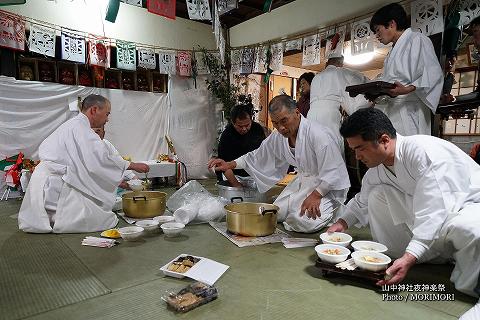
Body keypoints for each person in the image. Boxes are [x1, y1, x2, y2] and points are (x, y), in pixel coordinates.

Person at [326, 108, 480, 320]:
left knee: (469, 229)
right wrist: (342, 222)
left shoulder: (423, 152)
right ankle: (410, 255)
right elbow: (361, 200)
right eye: (353, 150)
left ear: (384, 140)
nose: (357, 156)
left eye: (359, 148)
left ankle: (463, 280)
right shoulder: (378, 168)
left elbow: (435, 207)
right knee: (376, 195)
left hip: (468, 203)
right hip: (432, 207)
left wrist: (412, 254)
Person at [208, 95, 350, 233]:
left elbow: (334, 171)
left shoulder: (319, 135)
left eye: (284, 121)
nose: (280, 128)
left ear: (296, 113)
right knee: (274, 213)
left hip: (327, 187)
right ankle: (298, 205)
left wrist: (317, 195)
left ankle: (333, 209)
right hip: (303, 182)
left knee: (302, 222)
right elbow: (258, 155)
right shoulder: (278, 136)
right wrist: (230, 164)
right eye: (275, 123)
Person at [18, 94, 149, 233]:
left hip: (49, 178)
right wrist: (133, 165)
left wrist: (121, 178)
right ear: (94, 110)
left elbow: (92, 161)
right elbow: (99, 160)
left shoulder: (76, 125)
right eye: (106, 114)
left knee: (90, 211)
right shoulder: (81, 128)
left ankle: (49, 221)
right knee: (100, 218)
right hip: (57, 181)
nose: (107, 119)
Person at [370, 3, 443, 135]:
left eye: (378, 30)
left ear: (391, 24)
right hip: (392, 108)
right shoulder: (391, 53)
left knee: (411, 150)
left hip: (410, 108)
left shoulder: (418, 40)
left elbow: (433, 74)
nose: (377, 35)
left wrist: (407, 89)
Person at [308, 55, 370, 151]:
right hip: (328, 117)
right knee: (332, 147)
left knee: (313, 147)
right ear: (340, 64)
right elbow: (357, 84)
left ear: (326, 63)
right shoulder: (338, 72)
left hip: (311, 115)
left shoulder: (316, 77)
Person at [216, 102, 268, 188]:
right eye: (240, 126)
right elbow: (223, 164)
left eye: (247, 125)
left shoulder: (257, 129)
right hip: (233, 175)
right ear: (233, 122)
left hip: (254, 174)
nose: (244, 129)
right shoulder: (227, 135)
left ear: (251, 120)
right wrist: (236, 184)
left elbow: (262, 154)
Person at [93, 126, 137, 190]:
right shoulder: (83, 147)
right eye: (92, 132)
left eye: (97, 132)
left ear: (103, 133)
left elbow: (119, 162)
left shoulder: (107, 144)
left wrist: (134, 178)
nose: (94, 135)